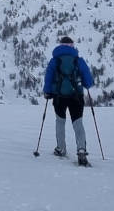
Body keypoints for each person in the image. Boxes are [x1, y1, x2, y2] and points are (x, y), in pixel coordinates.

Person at [40, 35, 97, 166]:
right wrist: (86, 85)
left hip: (59, 96)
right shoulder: (78, 60)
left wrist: (47, 92)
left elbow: (48, 77)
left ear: (60, 46)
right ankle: (81, 149)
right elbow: (88, 80)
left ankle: (61, 148)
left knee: (60, 121)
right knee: (78, 123)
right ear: (72, 46)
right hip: (76, 96)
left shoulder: (54, 61)